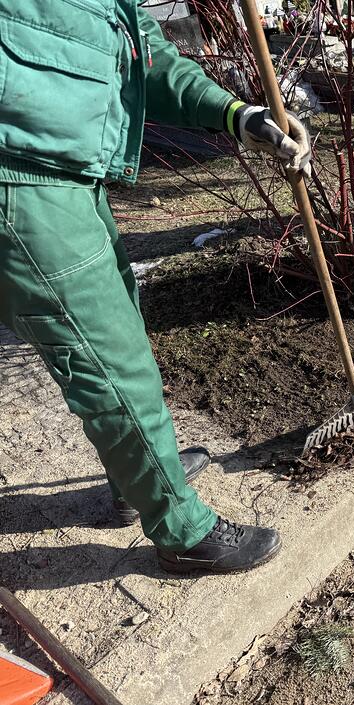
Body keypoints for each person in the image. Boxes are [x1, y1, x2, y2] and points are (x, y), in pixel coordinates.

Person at [0, 2, 311, 573]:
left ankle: (138, 477)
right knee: (109, 362)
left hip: (66, 175)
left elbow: (145, 56)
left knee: (122, 331)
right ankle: (182, 531)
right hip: (17, 182)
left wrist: (236, 114)